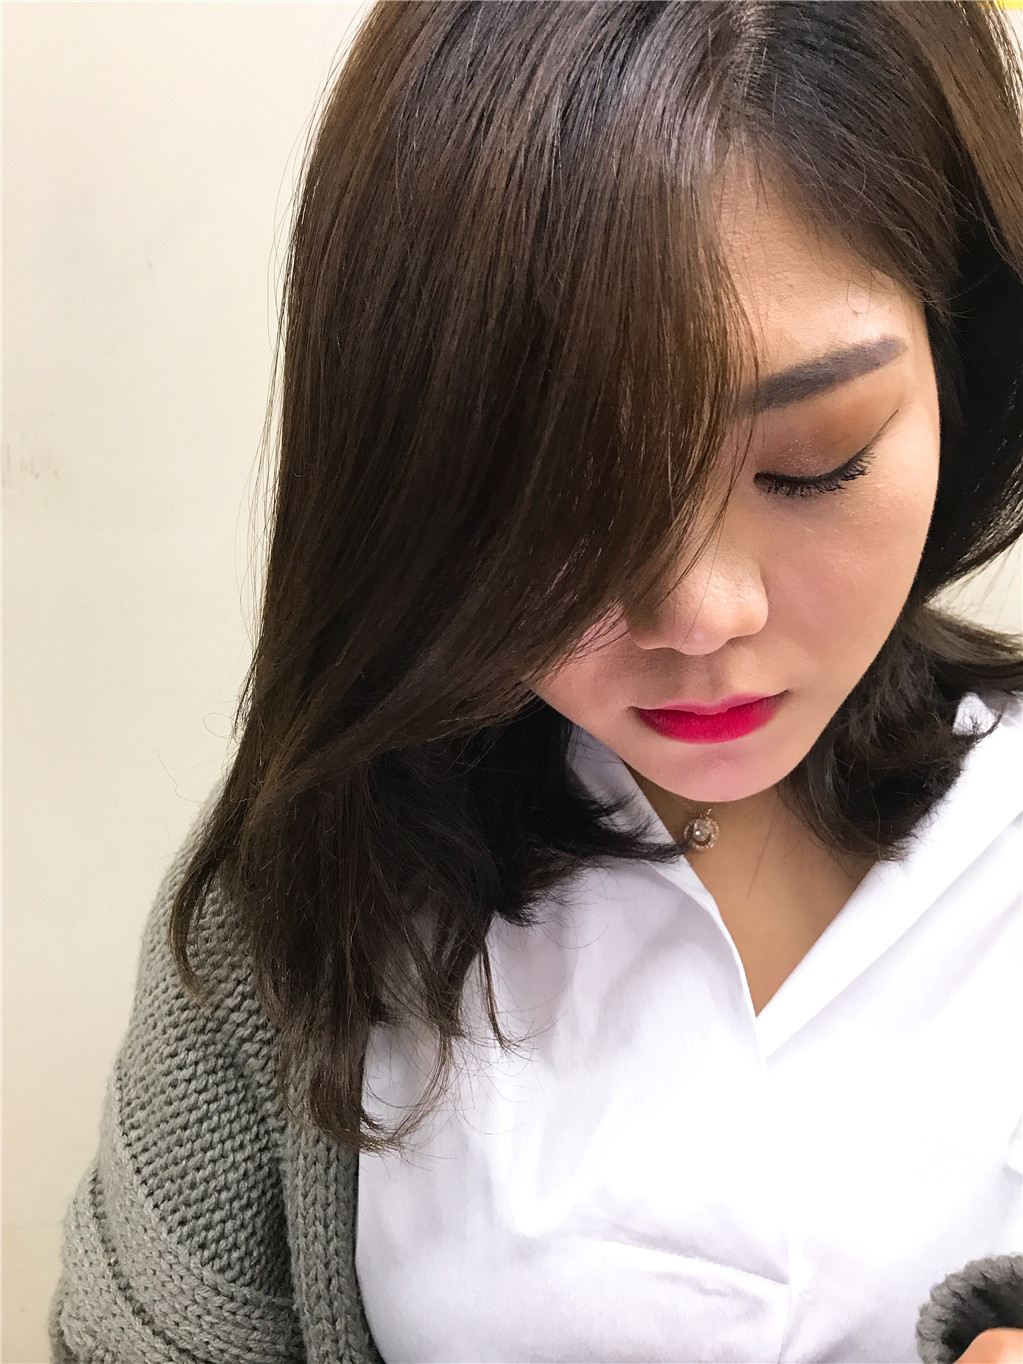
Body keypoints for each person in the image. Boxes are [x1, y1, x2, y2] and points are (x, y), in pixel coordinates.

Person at [50, 2, 1023, 1361]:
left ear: (961, 364)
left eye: (813, 463)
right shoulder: (292, 913)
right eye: (568, 504)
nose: (702, 614)